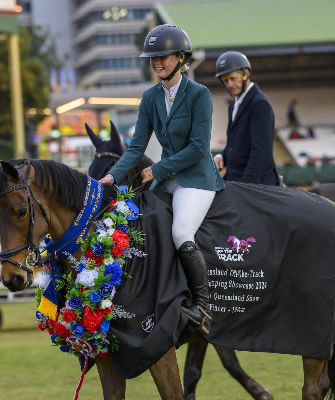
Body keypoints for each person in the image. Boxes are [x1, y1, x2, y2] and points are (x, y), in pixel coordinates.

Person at [99, 24, 223, 335]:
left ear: (181, 58)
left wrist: (158, 169)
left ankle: (202, 307)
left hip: (196, 179)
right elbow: (137, 147)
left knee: (181, 231)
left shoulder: (200, 95)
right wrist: (110, 178)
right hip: (166, 180)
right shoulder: (150, 97)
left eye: (162, 56)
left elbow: (197, 148)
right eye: (152, 57)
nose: (156, 62)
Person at [213, 51, 280, 185]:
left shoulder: (260, 103)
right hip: (236, 182)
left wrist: (245, 186)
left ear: (246, 74)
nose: (230, 84)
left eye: (233, 78)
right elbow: (235, 144)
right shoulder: (233, 105)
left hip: (256, 185)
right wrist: (222, 156)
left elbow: (261, 151)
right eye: (225, 81)